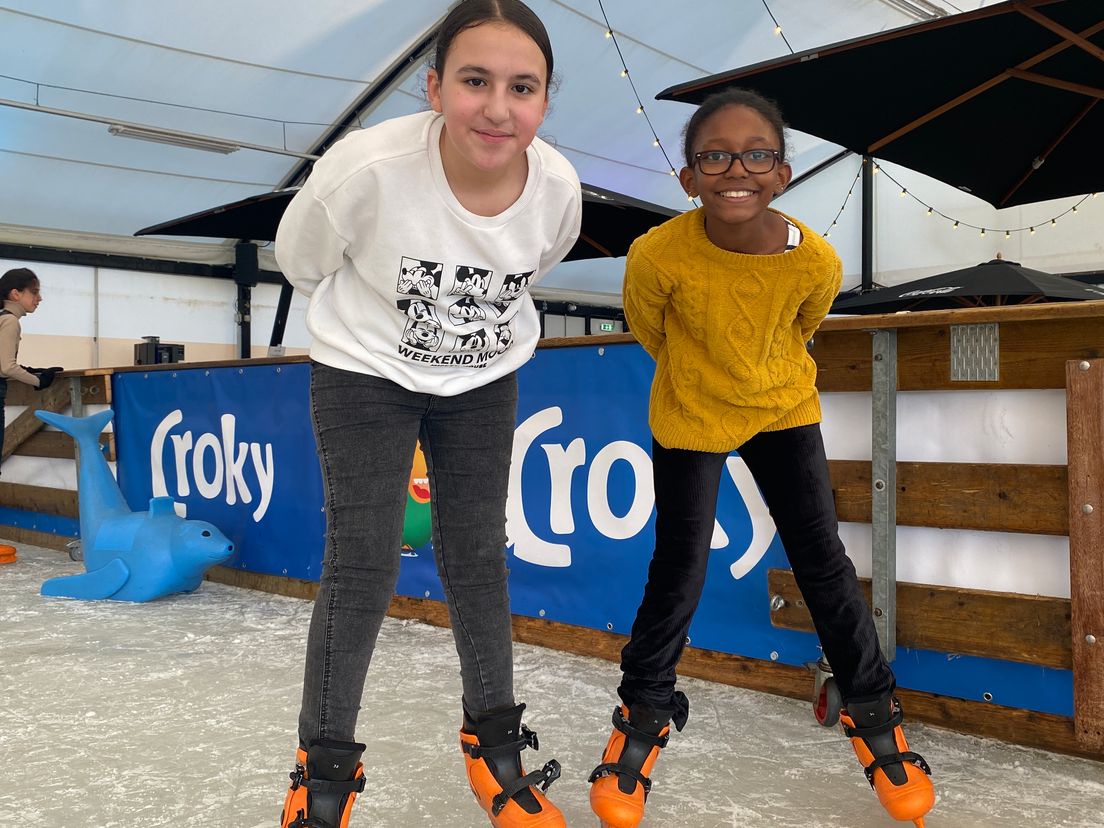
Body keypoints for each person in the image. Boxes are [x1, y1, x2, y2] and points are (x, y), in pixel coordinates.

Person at [588, 89, 935, 828]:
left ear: (782, 172)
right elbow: (652, 329)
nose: (735, 169)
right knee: (679, 566)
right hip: (690, 414)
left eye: (756, 154)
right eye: (713, 155)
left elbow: (805, 323)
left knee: (822, 559)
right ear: (688, 178)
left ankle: (875, 713)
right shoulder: (657, 254)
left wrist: (756, 379)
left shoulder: (815, 260)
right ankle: (642, 719)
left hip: (782, 407)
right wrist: (702, 381)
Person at [273, 1, 581, 825]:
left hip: (484, 376)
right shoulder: (365, 168)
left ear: (546, 101)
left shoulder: (557, 187)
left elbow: (540, 260)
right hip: (364, 368)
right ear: (434, 86)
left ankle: (494, 746)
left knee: (478, 555)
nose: (498, 107)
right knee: (363, 562)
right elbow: (301, 260)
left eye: (523, 87)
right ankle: (322, 769)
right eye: (475, 81)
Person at [0, 267, 61, 473]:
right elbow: (6, 366)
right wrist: (39, 381)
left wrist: (28, 369)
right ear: (16, 294)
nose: (39, 298)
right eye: (34, 292)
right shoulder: (9, 321)